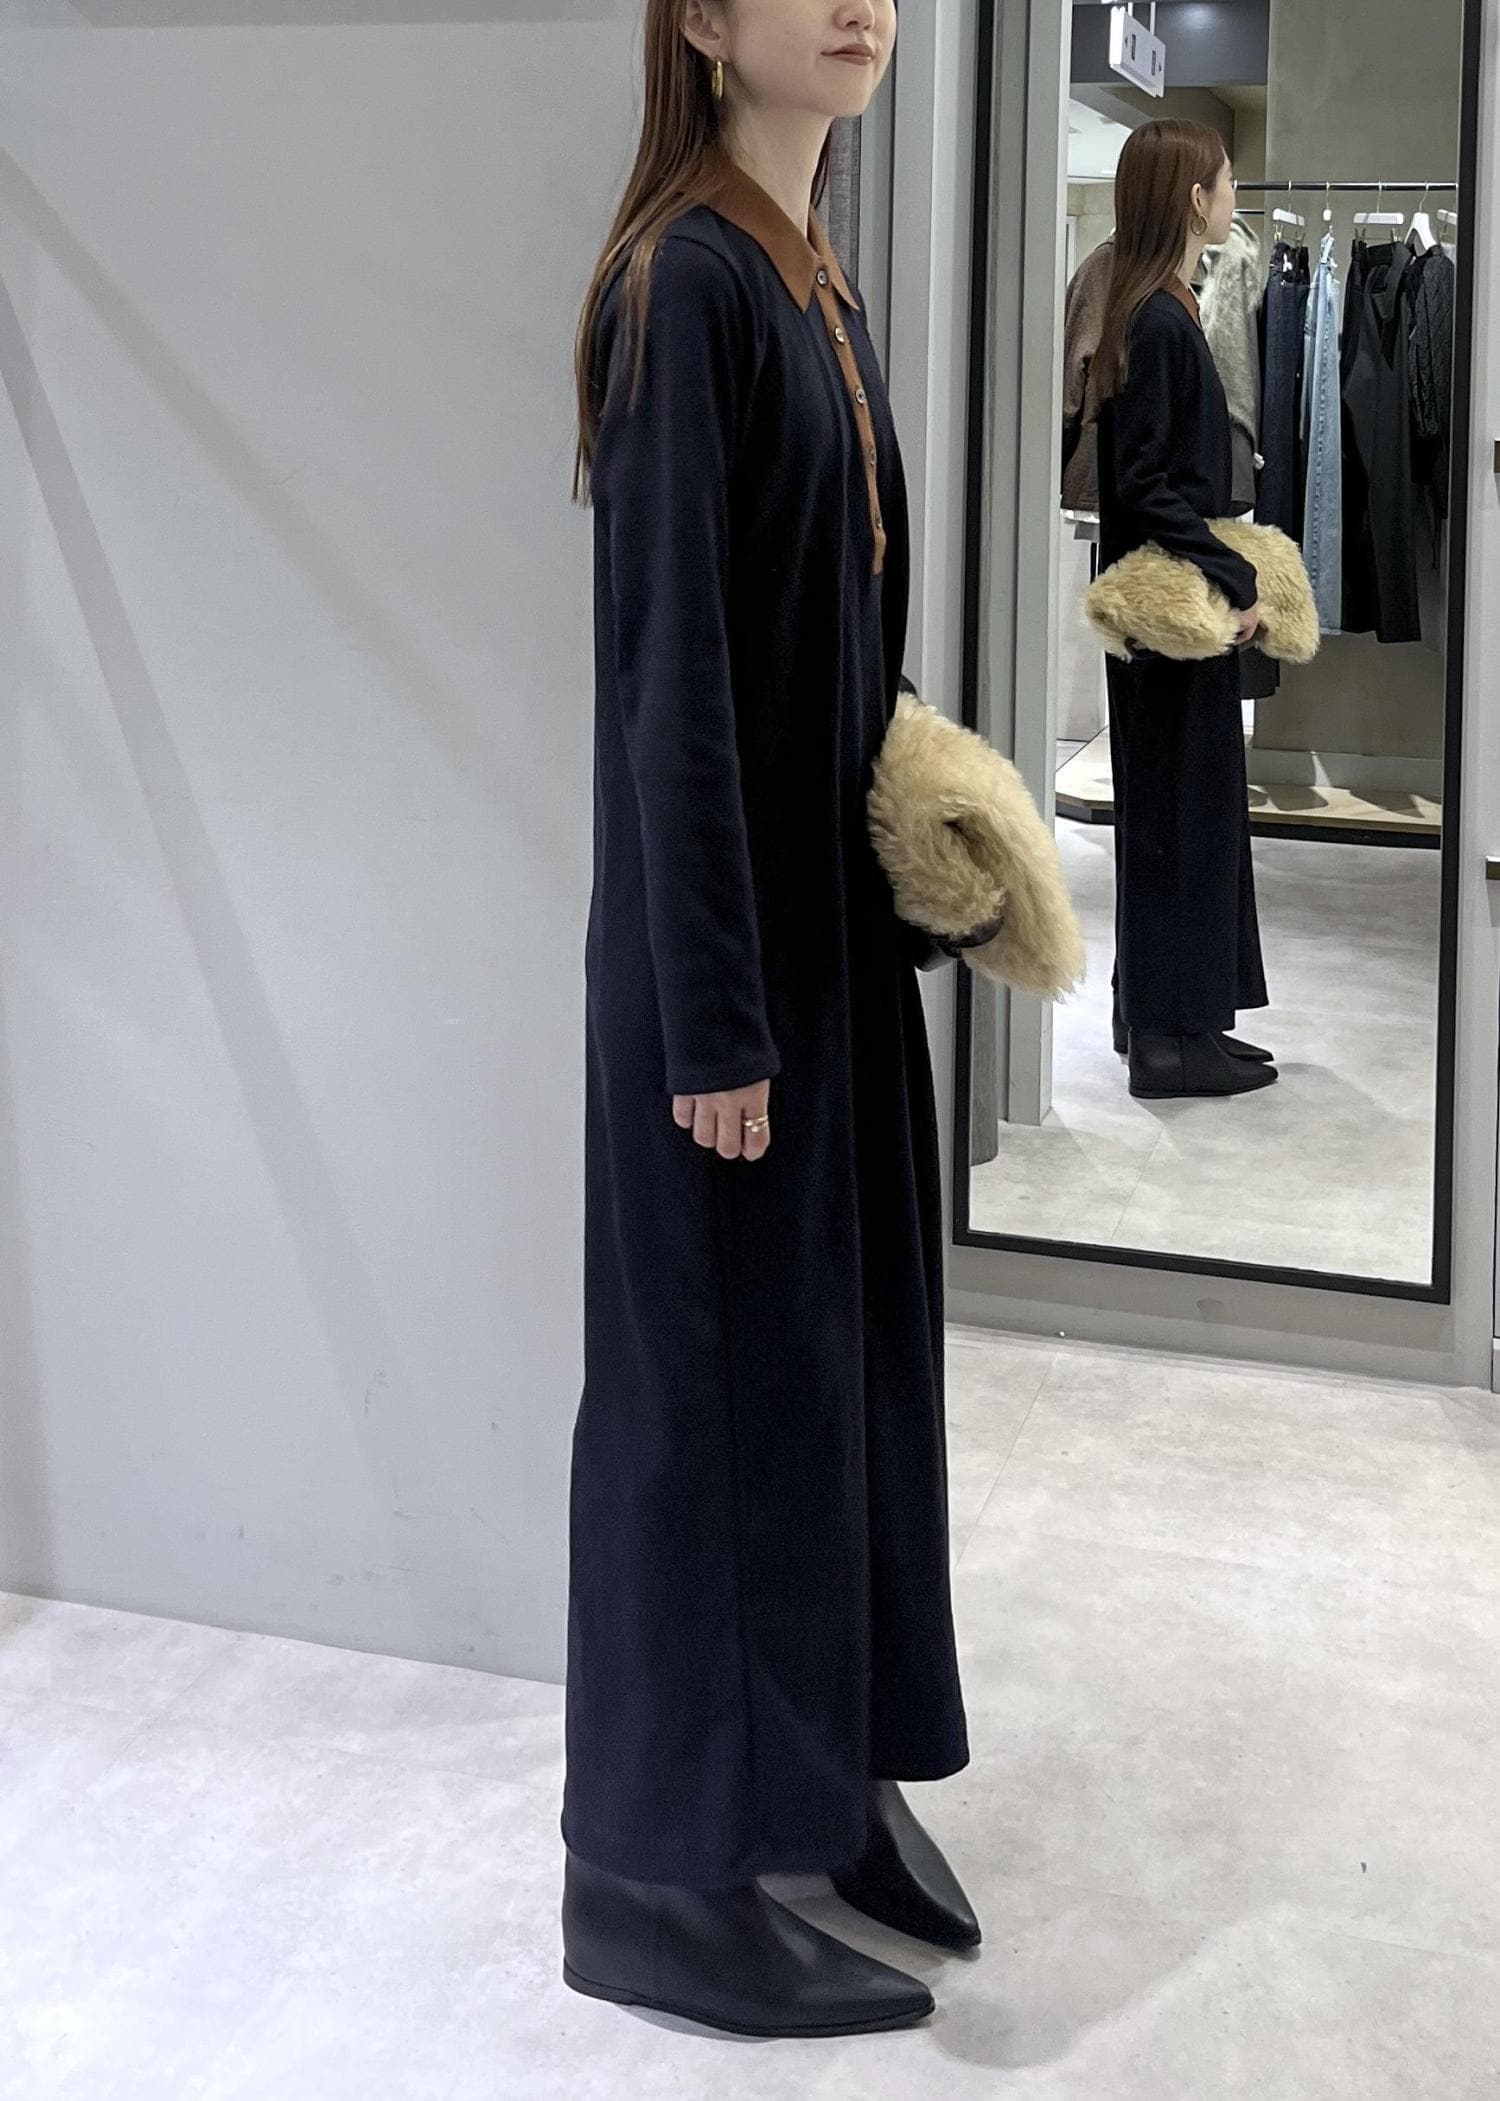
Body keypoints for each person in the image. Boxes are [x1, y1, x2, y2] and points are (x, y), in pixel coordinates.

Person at [561, 0, 976, 2043]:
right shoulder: (685, 288)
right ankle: (653, 1879)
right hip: (721, 970)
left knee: (846, 1375)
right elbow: (677, 693)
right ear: (706, 22)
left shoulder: (817, 278)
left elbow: (838, 639)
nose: (861, 4)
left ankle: (827, 1779)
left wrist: (926, 852)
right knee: (706, 1415)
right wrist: (715, 1025)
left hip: (830, 943)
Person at [1092, 120, 1279, 1101]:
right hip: (1170, 616)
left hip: (1163, 611)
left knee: (1176, 813)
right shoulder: (1160, 322)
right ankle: (1170, 1039)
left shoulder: (1156, 308)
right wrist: (1230, 572)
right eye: (1225, 180)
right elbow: (1145, 482)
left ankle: (1173, 1020)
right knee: (1180, 817)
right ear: (1195, 198)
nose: (1234, 193)